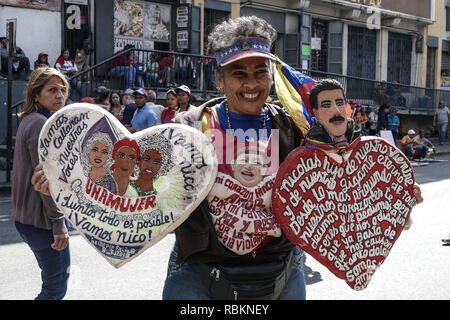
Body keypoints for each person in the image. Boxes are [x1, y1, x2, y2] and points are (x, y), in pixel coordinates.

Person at [163, 15, 307, 301]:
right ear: (219, 78)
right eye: (238, 73)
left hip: (282, 270)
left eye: (260, 72)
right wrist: (58, 183)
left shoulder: (294, 127)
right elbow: (142, 186)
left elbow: (331, 185)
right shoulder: (187, 127)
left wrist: (392, 194)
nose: (251, 84)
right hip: (199, 272)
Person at [12, 67, 70, 300]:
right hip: (42, 223)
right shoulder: (39, 124)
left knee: (52, 284)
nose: (60, 95)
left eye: (63, 89)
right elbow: (47, 183)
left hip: (28, 220)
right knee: (55, 289)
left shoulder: (33, 120)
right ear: (36, 94)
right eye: (52, 90)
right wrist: (58, 224)